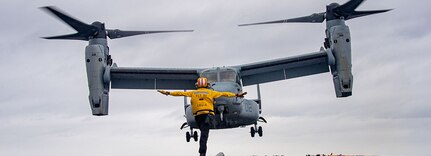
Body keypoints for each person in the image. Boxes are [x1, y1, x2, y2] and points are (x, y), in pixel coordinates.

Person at [158, 77, 246, 156]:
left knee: (203, 133)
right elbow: (225, 94)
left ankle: (202, 152)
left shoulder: (193, 93)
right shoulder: (211, 92)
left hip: (198, 116)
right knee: (204, 135)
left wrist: (168, 93)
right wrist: (236, 95)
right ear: (207, 85)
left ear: (197, 85)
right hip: (208, 115)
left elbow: (180, 93)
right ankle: (202, 153)